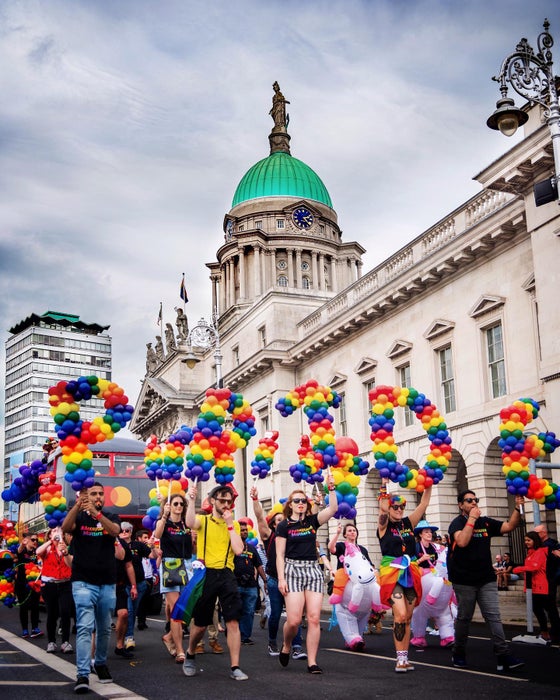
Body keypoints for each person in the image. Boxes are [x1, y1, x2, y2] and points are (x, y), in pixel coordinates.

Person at [447, 489, 525, 672]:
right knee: (464, 618)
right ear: (461, 505)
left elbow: (509, 526)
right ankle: (458, 652)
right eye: (469, 500)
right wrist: (472, 520)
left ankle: (503, 655)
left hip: (486, 579)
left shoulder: (486, 523)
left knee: (494, 617)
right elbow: (463, 542)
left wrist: (517, 508)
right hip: (464, 580)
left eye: (475, 500)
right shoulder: (456, 524)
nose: (474, 503)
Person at [183, 483, 248, 681]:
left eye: (229, 501)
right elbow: (189, 522)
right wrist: (191, 500)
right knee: (201, 624)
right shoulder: (203, 520)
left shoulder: (234, 525)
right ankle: (191, 652)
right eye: (222, 500)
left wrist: (230, 525)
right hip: (207, 573)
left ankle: (235, 666)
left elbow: (238, 550)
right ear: (213, 501)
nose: (227, 504)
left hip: (227, 574)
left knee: (233, 621)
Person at [61, 482, 121, 693]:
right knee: (85, 627)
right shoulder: (78, 516)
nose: (97, 497)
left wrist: (96, 513)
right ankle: (82, 674)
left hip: (106, 582)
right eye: (92, 494)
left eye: (100, 494)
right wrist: (77, 506)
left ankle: (101, 663)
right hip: (83, 581)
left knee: (104, 628)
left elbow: (114, 531)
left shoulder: (111, 516)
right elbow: (66, 528)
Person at [275, 474, 338, 675]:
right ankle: (286, 645)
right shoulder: (284, 526)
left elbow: (333, 509)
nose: (301, 503)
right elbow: (279, 554)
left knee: (313, 618)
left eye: (304, 501)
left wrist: (331, 489)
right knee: (293, 621)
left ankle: (312, 662)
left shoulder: (312, 521)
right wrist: (282, 579)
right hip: (292, 570)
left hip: (313, 570)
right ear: (290, 505)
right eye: (297, 501)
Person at [377, 484, 432, 672]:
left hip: (410, 571)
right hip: (392, 572)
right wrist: (384, 494)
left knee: (407, 617)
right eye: (395, 506)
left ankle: (404, 658)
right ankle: (399, 660)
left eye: (402, 506)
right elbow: (383, 512)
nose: (399, 509)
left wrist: (428, 484)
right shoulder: (384, 525)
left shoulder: (408, 522)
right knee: (399, 614)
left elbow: (424, 503)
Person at [250, 486, 307, 659]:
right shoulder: (269, 535)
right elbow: (260, 517)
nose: (282, 522)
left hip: (292, 580)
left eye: (284, 519)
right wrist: (255, 500)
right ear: (274, 524)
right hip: (274, 580)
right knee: (275, 614)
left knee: (293, 615)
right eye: (278, 520)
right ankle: (273, 641)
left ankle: (296, 646)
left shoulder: (293, 533)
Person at [153, 493, 193, 665]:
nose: (178, 506)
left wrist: (191, 500)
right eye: (175, 503)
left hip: (188, 566)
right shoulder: (165, 522)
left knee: (190, 606)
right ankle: (180, 650)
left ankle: (169, 636)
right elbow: (157, 534)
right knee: (176, 610)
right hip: (170, 566)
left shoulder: (187, 524)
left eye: (181, 504)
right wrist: (164, 514)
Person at [36, 527, 73, 653]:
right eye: (54, 531)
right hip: (49, 584)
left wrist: (65, 551)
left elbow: (71, 564)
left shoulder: (67, 547)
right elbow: (37, 552)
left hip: (65, 584)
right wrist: (51, 541)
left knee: (65, 612)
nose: (57, 533)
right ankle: (51, 642)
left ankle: (65, 642)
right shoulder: (47, 548)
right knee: (52, 614)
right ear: (50, 534)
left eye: (59, 531)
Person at [513, 531, 552, 641]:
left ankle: (546, 633)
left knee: (545, 610)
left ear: (535, 540)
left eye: (529, 540)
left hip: (540, 587)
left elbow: (534, 567)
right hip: (533, 587)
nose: (526, 542)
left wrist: (518, 569)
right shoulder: (531, 552)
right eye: (525, 540)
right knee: (538, 610)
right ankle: (545, 633)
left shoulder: (540, 552)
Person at [234, 521, 267, 645]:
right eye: (242, 530)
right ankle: (233, 633)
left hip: (251, 585)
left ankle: (245, 636)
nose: (244, 532)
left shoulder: (252, 548)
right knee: (236, 611)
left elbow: (259, 565)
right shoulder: (232, 547)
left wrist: (265, 580)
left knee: (249, 611)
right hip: (235, 584)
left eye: (245, 530)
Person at [120, 523, 152, 650]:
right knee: (129, 611)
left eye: (127, 530)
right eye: (122, 530)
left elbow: (152, 555)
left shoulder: (138, 545)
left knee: (133, 611)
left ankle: (127, 636)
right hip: (123, 584)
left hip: (139, 584)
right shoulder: (116, 545)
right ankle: (129, 637)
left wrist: (154, 547)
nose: (124, 532)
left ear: (131, 532)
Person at [113, 524, 137, 659]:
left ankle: (120, 645)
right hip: (103, 586)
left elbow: (128, 565)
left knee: (123, 614)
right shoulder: (99, 541)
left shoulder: (121, 543)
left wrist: (133, 586)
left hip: (119, 585)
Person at [533, 523, 560, 644]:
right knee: (543, 607)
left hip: (548, 580)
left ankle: (553, 633)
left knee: (549, 607)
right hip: (542, 581)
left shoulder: (550, 545)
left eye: (537, 533)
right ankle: (549, 632)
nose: (535, 536)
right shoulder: (544, 545)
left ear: (544, 533)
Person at [14, 532, 43, 639]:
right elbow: (19, 551)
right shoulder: (22, 550)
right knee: (24, 607)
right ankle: (25, 630)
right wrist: (22, 544)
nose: (35, 542)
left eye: (37, 540)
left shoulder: (36, 552)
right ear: (27, 540)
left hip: (34, 583)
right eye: (33, 540)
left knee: (35, 606)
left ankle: (35, 628)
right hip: (22, 584)